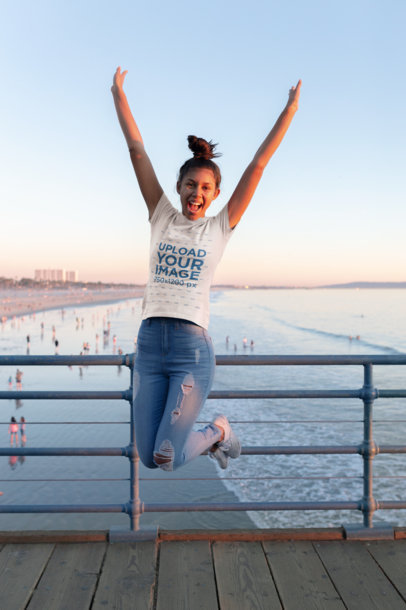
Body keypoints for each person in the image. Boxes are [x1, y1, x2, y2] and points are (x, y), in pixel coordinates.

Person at [112, 67, 301, 471]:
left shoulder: (219, 228)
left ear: (214, 195)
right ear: (178, 186)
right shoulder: (161, 215)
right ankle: (214, 437)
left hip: (190, 350)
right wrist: (118, 94)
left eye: (205, 188)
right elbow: (137, 151)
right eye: (190, 185)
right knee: (148, 457)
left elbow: (258, 165)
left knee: (167, 457)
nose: (196, 193)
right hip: (148, 344)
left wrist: (289, 110)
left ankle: (219, 432)